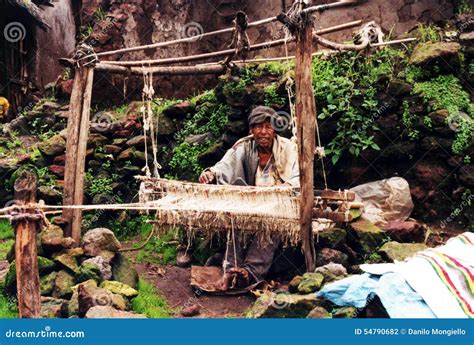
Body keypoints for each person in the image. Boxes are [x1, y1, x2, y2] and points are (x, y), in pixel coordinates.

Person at [199, 105, 299, 290]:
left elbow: (297, 177)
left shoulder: (288, 148)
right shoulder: (244, 146)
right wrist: (211, 173)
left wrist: (283, 191)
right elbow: (225, 165)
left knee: (269, 226)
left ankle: (250, 273)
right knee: (237, 221)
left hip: (277, 206)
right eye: (257, 127)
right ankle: (230, 270)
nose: (263, 132)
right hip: (249, 205)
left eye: (268, 127)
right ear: (251, 130)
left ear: (275, 129)